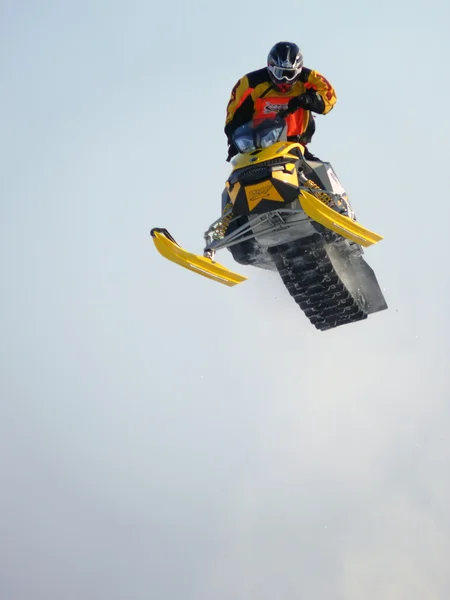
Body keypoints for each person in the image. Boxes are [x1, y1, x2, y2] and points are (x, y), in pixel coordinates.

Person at [224, 41, 337, 162]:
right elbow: (233, 113)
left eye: (290, 74)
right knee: (239, 173)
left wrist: (307, 99)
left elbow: (329, 97)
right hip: (258, 147)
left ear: (298, 70)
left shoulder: (309, 78)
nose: (285, 79)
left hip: (295, 145)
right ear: (270, 67)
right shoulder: (250, 84)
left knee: (321, 172)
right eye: (279, 73)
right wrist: (234, 140)